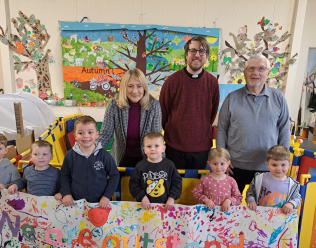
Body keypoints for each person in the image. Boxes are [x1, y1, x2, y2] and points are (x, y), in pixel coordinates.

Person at [216, 54, 291, 194]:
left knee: (263, 211)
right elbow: (222, 129)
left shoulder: (278, 97)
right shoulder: (232, 98)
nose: (255, 72)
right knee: (229, 208)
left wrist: (282, 161)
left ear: (268, 73)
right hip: (235, 165)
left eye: (261, 69)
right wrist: (222, 158)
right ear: (244, 73)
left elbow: (284, 129)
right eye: (251, 68)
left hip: (268, 166)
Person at [57, 115, 119, 248]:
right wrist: (67, 193)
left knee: (101, 232)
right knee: (80, 231)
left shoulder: (105, 155)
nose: (86, 136)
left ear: (97, 134)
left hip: (100, 204)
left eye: (90, 132)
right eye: (81, 133)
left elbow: (114, 176)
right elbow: (64, 176)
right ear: (75, 136)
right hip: (77, 204)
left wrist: (107, 196)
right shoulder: (70, 155)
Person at [159, 35, 219, 169]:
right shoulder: (172, 82)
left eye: (202, 51)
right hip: (174, 148)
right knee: (175, 188)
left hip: (201, 148)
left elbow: (212, 113)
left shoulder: (212, 83)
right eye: (193, 51)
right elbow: (162, 113)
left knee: (197, 189)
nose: (197, 55)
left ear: (207, 56)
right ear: (186, 54)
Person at [129, 132, 182, 248]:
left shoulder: (169, 165)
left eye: (157, 146)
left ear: (163, 148)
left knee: (164, 239)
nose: (153, 149)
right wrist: (142, 197)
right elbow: (133, 185)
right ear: (144, 149)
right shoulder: (140, 166)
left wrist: (172, 197)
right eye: (149, 146)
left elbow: (177, 183)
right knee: (146, 239)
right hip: (146, 211)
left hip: (166, 211)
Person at [7, 140, 61, 248]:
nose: (40, 157)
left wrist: (61, 193)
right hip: (32, 210)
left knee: (50, 231)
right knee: (33, 231)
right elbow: (23, 182)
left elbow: (62, 186)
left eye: (44, 154)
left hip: (50, 210)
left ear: (51, 157)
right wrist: (15, 185)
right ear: (30, 156)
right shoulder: (28, 171)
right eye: (36, 154)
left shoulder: (56, 172)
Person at [98, 68, 162, 168]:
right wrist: (91, 154)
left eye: (139, 86)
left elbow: (156, 137)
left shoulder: (154, 105)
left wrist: (160, 163)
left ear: (144, 88)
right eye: (130, 86)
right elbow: (105, 135)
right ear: (124, 87)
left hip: (147, 160)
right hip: (120, 159)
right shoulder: (114, 104)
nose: (135, 91)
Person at [246, 145, 301, 214]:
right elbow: (250, 193)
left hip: (280, 219)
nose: (278, 168)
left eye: (283, 165)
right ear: (268, 165)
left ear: (289, 165)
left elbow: (297, 199)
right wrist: (251, 201)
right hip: (260, 216)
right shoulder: (259, 178)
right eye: (274, 165)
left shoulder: (293, 184)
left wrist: (291, 204)